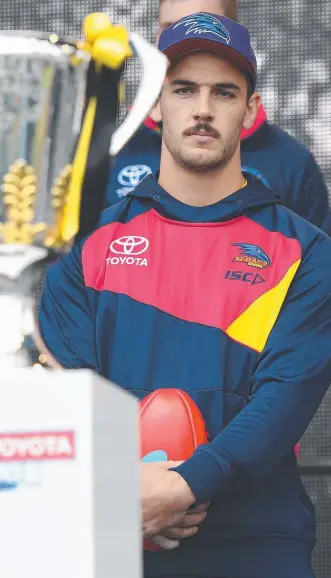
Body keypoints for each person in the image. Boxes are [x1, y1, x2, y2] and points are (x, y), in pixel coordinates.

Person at [39, 13, 331, 578]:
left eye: (224, 92)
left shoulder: (307, 251)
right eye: (183, 89)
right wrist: (122, 489)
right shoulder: (85, 246)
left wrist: (180, 486)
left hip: (256, 543)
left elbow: (285, 399)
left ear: (249, 111)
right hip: (109, 532)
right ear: (154, 106)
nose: (203, 108)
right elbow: (66, 390)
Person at [107, 0, 331, 235]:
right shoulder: (114, 148)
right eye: (169, 26)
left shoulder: (291, 162)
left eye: (201, 24)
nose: (202, 110)